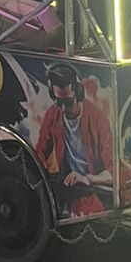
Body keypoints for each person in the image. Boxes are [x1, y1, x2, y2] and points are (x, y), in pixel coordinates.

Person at [35, 61, 114, 217]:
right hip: (66, 189)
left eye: (68, 102)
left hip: (93, 191)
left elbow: (113, 171)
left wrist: (88, 179)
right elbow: (39, 152)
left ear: (78, 93)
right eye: (58, 102)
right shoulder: (53, 114)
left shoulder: (97, 118)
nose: (63, 109)